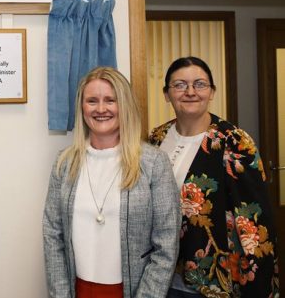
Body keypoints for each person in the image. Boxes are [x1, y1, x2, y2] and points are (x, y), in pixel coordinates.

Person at [43, 66, 181, 298]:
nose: (101, 109)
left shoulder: (153, 163)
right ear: (82, 107)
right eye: (92, 101)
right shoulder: (65, 163)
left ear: (124, 106)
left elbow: (166, 244)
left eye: (110, 100)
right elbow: (52, 234)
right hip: (78, 290)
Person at [148, 56, 279, 298]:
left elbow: (254, 218)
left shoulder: (234, 142)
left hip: (213, 281)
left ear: (212, 92)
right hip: (160, 274)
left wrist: (258, 285)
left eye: (199, 84)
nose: (190, 92)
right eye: (179, 85)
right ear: (167, 94)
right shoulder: (156, 138)